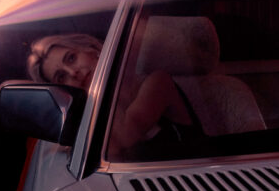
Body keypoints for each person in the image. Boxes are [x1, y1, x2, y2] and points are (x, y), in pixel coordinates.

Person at [25, 33, 203, 152]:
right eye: (62, 77)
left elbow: (125, 138)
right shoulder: (90, 118)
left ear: (91, 50)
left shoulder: (156, 82)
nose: (74, 73)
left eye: (71, 58)